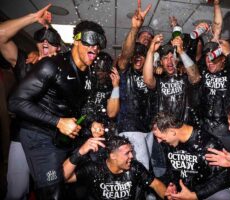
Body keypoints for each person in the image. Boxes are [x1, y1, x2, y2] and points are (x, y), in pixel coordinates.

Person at [8, 20, 106, 199]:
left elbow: (81, 108)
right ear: (76, 40)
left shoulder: (89, 76)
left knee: (68, 188)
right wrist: (58, 122)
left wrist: (92, 123)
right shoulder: (52, 65)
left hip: (62, 138)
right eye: (89, 41)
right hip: (40, 135)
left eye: (98, 44)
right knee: (52, 193)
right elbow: (15, 102)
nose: (94, 48)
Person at [0, 5, 63, 199]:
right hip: (22, 136)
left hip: (49, 140)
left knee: (50, 191)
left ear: (58, 48)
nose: (45, 41)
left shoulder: (63, 71)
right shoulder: (24, 64)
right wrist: (33, 18)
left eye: (51, 40)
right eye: (41, 38)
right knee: (16, 192)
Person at [152, 112, 230, 200]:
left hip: (208, 193)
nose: (159, 141)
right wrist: (171, 185)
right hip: (184, 193)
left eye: (160, 137)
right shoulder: (169, 143)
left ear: (172, 132)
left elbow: (223, 178)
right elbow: (172, 171)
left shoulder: (207, 143)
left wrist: (195, 195)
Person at [63, 135, 167, 200]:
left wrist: (169, 196)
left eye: (131, 151)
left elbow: (156, 184)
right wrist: (80, 152)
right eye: (127, 153)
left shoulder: (135, 167)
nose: (132, 156)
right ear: (113, 156)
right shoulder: (94, 168)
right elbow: (64, 177)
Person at [196, 40, 230, 155]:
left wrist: (229, 54)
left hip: (225, 129)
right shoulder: (203, 73)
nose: (209, 61)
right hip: (205, 127)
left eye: (213, 58)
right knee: (209, 160)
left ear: (223, 59)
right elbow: (194, 58)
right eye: (207, 57)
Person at [143, 34, 201, 123]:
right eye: (165, 58)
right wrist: (151, 50)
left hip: (183, 130)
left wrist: (181, 51)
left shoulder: (185, 78)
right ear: (161, 62)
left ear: (177, 60)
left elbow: (196, 77)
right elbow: (147, 80)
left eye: (172, 57)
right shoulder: (159, 80)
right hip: (164, 129)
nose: (169, 61)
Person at [117, 42, 155, 170]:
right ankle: (137, 190)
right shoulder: (125, 71)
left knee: (144, 166)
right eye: (135, 55)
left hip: (147, 128)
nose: (138, 58)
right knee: (141, 167)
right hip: (130, 126)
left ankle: (139, 190)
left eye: (142, 55)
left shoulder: (149, 75)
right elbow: (124, 57)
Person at [117, 0, 152, 72]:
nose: (147, 38)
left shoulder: (151, 62)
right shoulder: (128, 68)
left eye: (149, 37)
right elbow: (125, 56)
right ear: (138, 38)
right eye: (144, 36)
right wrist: (135, 28)